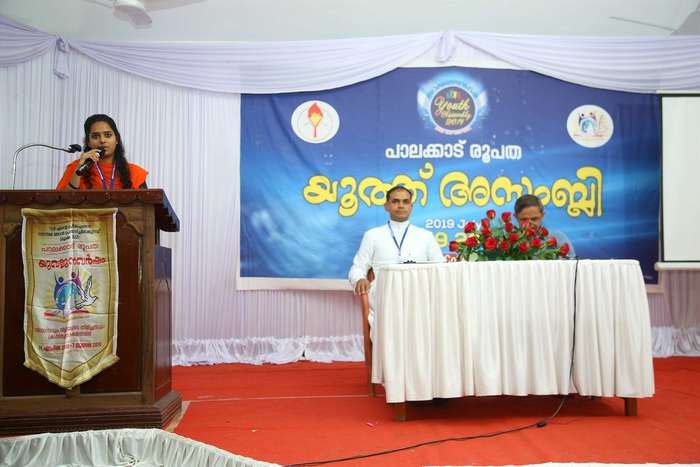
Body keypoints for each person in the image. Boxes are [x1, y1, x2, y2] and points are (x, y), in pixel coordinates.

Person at [348, 185, 444, 337]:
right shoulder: (372, 235)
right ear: (386, 206)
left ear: (411, 206)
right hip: (384, 299)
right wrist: (360, 279)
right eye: (395, 201)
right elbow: (357, 267)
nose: (400, 205)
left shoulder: (426, 236)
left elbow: (441, 268)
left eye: (405, 201)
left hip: (420, 299)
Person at [57, 114, 148, 190]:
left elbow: (147, 205)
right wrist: (79, 170)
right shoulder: (76, 168)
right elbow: (62, 202)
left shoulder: (135, 172)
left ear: (116, 139)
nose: (102, 140)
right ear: (88, 142)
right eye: (95, 136)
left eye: (108, 135)